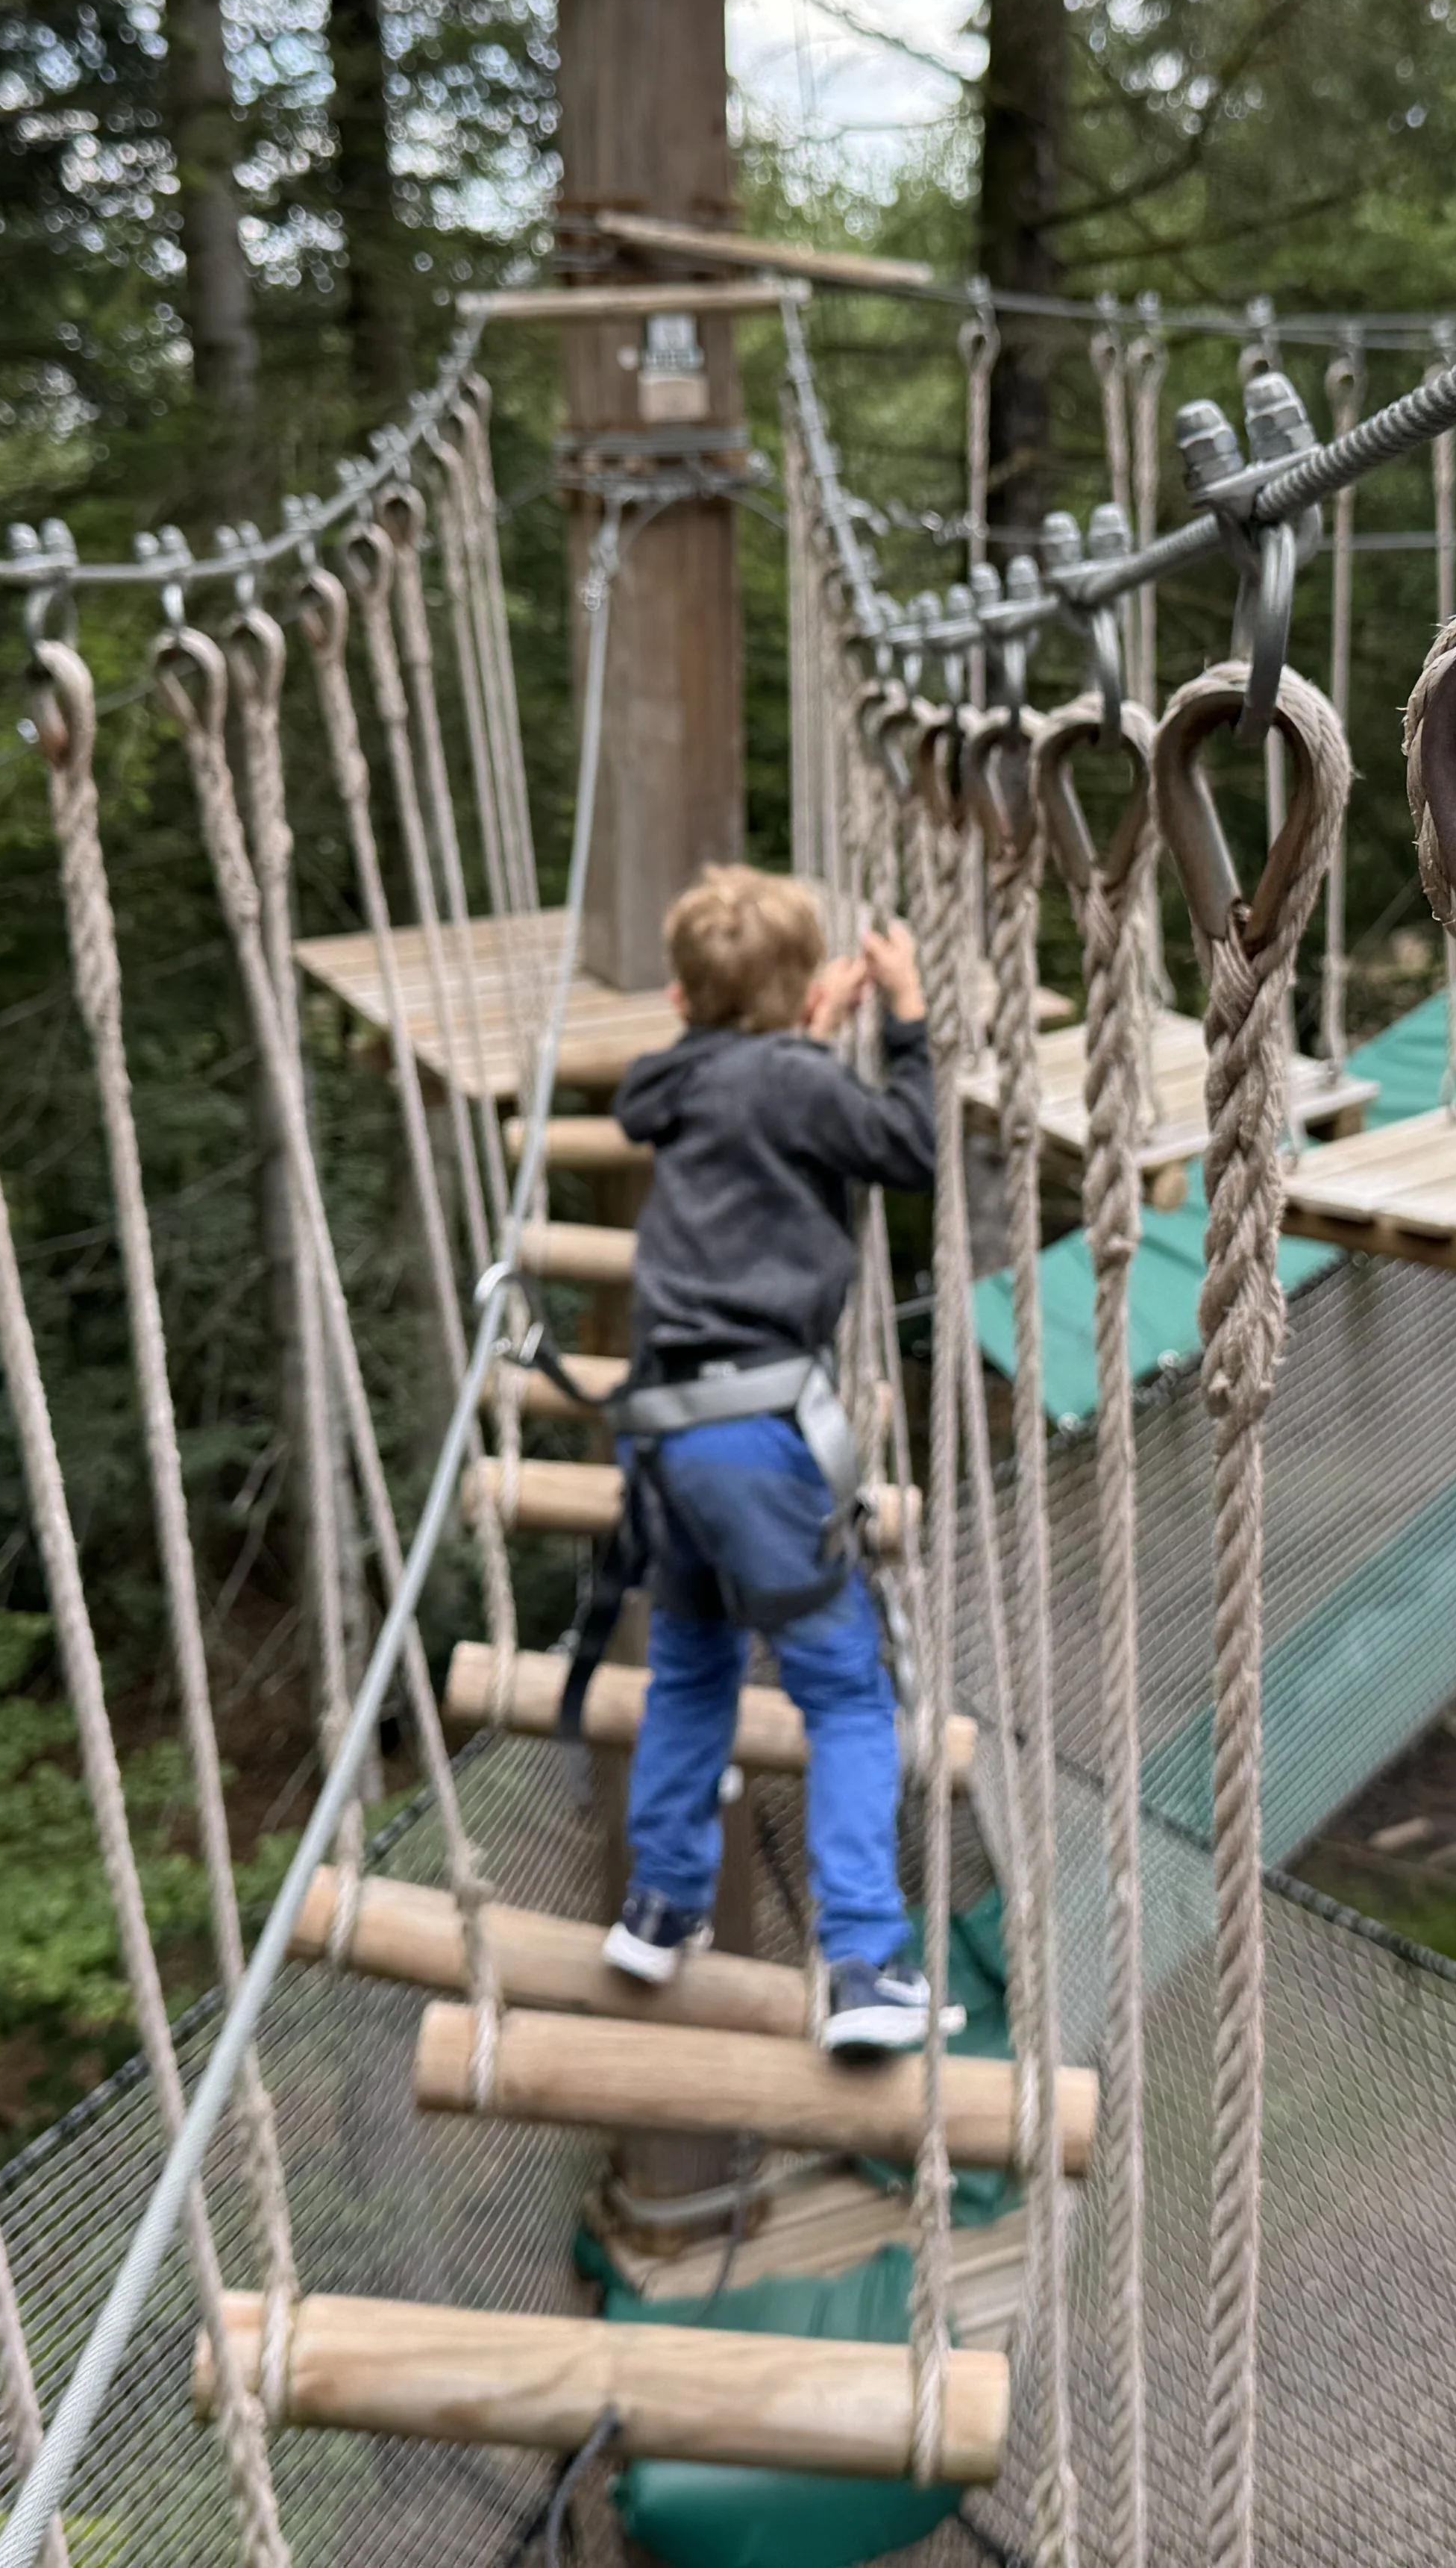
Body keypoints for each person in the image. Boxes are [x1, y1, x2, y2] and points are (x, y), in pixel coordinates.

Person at [596, 867, 944, 2058]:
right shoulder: (798, 1080)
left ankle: (658, 1909)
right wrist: (905, 1017)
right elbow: (912, 1144)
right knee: (847, 1693)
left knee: (693, 1666)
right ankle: (863, 1959)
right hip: (754, 1438)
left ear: (680, 997)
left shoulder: (681, 1080)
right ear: (801, 999)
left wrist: (792, 1026)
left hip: (662, 1438)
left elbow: (737, 1071)